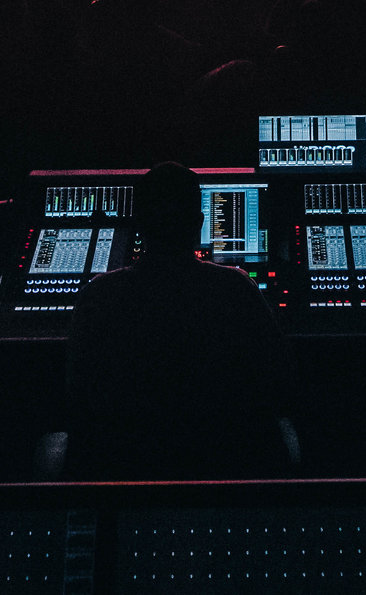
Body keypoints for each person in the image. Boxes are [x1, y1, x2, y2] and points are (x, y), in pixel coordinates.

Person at [65, 163, 293, 477]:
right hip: (228, 467)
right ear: (199, 223)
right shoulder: (238, 289)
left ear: (138, 225)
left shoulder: (98, 296)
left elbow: (76, 396)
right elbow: (279, 382)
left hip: (123, 468)